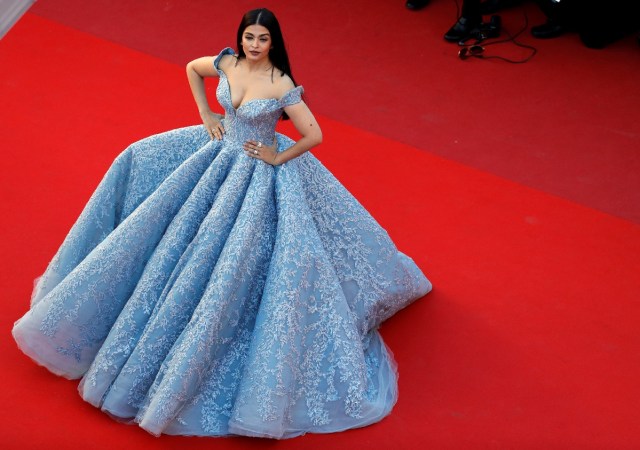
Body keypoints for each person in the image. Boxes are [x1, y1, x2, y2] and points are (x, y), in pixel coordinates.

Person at [12, 8, 432, 439]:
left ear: (273, 44)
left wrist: (275, 156)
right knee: (143, 170)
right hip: (217, 155)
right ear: (241, 38)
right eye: (249, 36)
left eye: (262, 39)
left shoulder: (281, 84)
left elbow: (314, 135)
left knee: (242, 258)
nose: (253, 45)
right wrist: (207, 116)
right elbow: (193, 70)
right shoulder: (225, 62)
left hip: (254, 175)